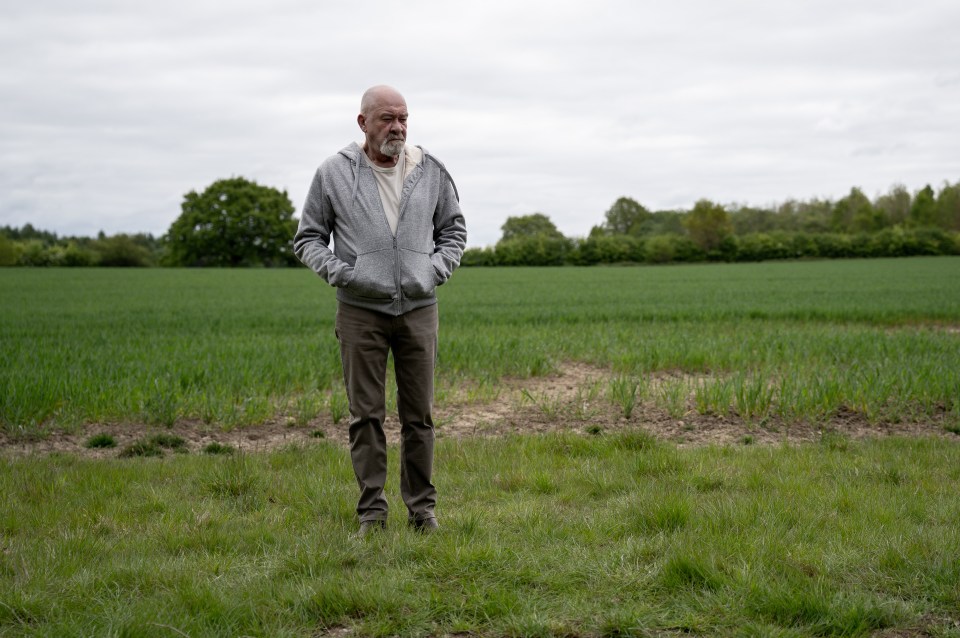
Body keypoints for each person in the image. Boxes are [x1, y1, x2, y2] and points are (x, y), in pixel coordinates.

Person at [294, 85, 467, 537]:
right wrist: (343, 274)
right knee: (366, 416)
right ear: (363, 123)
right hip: (359, 311)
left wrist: (433, 272)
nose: (398, 127)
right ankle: (372, 513)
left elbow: (453, 231)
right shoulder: (333, 173)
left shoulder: (431, 170)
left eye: (404, 118)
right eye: (387, 118)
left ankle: (422, 511)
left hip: (418, 308)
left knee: (420, 416)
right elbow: (308, 238)